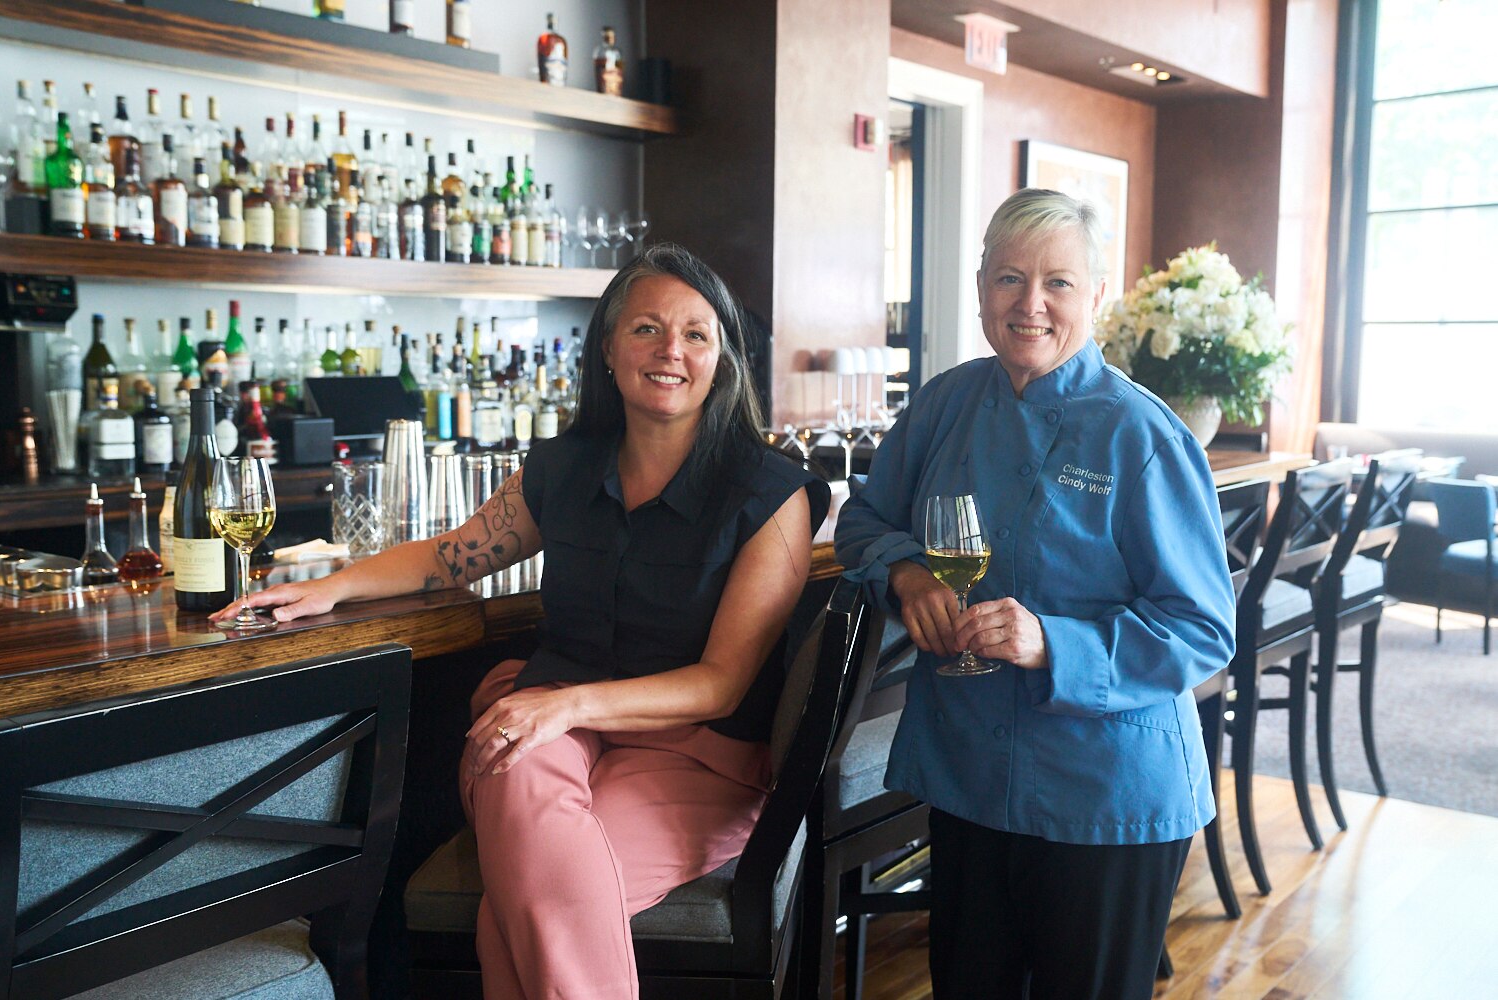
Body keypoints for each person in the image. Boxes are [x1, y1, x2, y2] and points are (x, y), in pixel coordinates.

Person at [220, 244, 830, 999]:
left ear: (724, 358)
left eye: (697, 333)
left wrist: (567, 704)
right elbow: (452, 555)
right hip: (547, 726)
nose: (671, 350)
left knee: (515, 912)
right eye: (647, 328)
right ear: (607, 347)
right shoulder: (563, 466)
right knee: (515, 760)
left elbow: (720, 685)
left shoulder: (771, 496)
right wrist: (332, 589)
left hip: (694, 756)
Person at [835, 189, 1236, 999]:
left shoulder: (1142, 435)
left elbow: (1202, 629)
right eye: (1010, 279)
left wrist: (1054, 643)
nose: (1031, 304)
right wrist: (906, 571)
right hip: (970, 776)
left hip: (1105, 791)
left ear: (1096, 295)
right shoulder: (945, 404)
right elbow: (865, 520)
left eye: (1058, 282)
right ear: (981, 288)